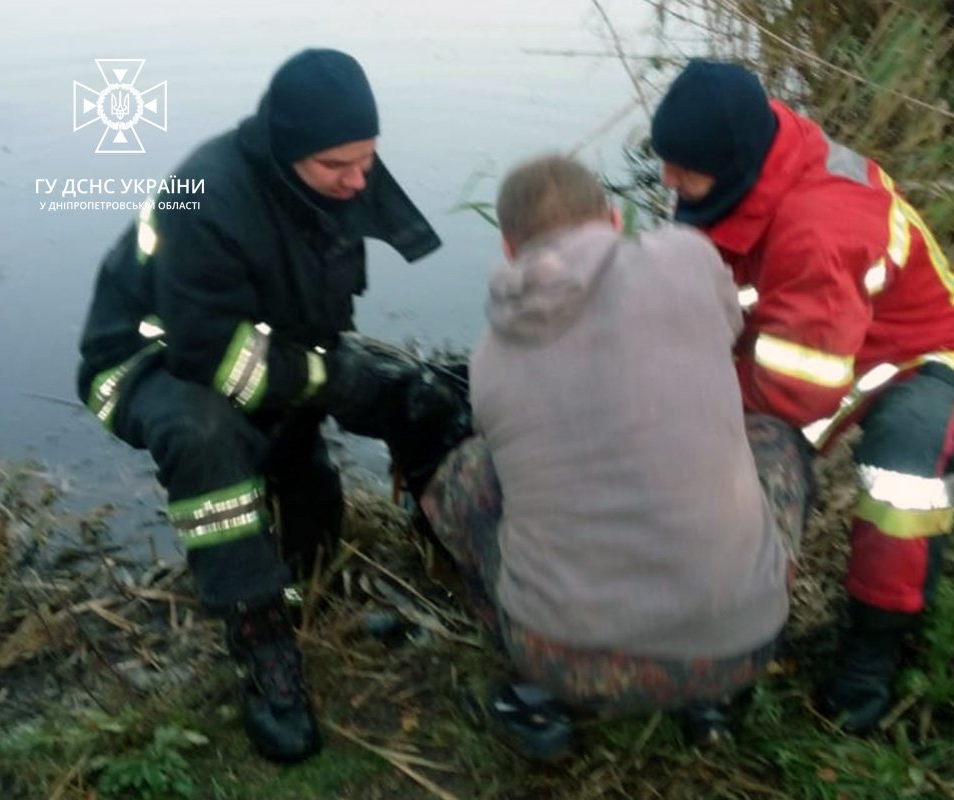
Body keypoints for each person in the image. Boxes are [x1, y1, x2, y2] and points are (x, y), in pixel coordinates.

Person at [76, 48, 466, 763]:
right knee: (207, 433)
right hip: (145, 358)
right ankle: (260, 642)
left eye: (367, 161)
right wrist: (322, 381)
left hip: (252, 343)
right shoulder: (205, 193)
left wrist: (365, 388)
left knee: (335, 490)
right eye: (338, 167)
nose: (358, 181)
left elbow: (318, 320)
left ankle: (311, 597)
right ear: (288, 153)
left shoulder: (338, 174)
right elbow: (208, 358)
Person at [417, 154, 808, 761]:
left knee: (469, 473)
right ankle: (709, 698)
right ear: (614, 216)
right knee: (776, 441)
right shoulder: (687, 257)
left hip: (564, 662)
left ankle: (534, 696)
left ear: (506, 246)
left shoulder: (489, 357)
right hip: (744, 647)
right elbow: (728, 327)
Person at [649, 60, 954, 733]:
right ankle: (717, 633)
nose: (668, 181)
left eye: (681, 169)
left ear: (733, 164)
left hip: (921, 357)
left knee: (900, 477)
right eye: (665, 164)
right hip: (821, 343)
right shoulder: (734, 163)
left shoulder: (818, 226)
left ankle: (873, 652)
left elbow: (790, 394)